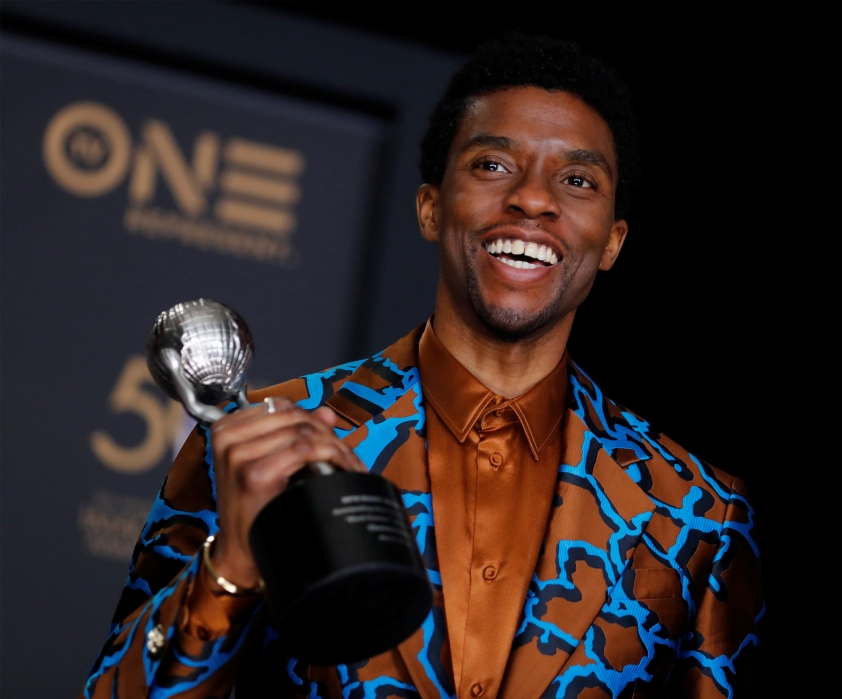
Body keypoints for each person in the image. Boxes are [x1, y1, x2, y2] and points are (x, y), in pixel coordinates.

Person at [82, 33, 762, 699]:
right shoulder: (260, 443)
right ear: (431, 207)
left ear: (612, 241)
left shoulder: (696, 510)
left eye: (577, 179)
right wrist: (228, 569)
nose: (533, 198)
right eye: (493, 165)